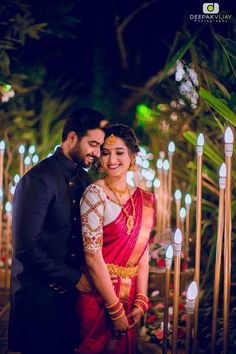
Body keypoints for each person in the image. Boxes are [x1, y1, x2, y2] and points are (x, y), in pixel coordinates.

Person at [8, 107, 107, 354]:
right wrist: (75, 278)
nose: (96, 153)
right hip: (39, 299)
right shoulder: (38, 180)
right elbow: (25, 247)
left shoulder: (84, 179)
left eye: (99, 146)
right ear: (72, 138)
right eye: (92, 144)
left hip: (70, 299)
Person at [75, 124, 155, 354]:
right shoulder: (94, 194)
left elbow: (143, 251)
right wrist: (115, 308)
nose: (112, 160)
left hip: (129, 296)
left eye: (119, 152)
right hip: (98, 296)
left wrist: (141, 299)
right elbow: (92, 257)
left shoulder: (143, 199)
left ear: (132, 156)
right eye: (106, 152)